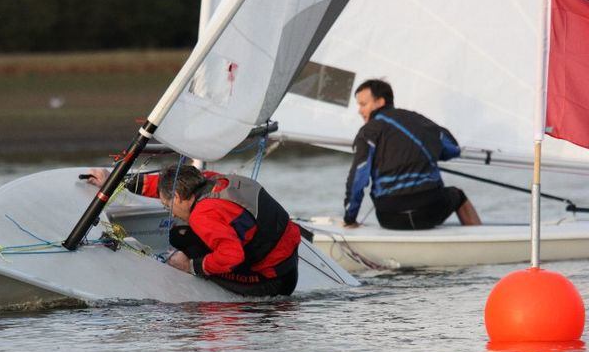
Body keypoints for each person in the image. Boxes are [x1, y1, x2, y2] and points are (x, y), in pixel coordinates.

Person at [86, 165, 300, 297]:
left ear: (177, 197)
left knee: (181, 237)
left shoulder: (204, 214)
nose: (169, 211)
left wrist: (191, 266)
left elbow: (232, 256)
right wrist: (113, 181)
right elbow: (162, 184)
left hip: (272, 282)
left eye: (166, 204)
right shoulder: (212, 180)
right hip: (287, 261)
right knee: (181, 233)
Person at [344, 79, 481, 230]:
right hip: (431, 211)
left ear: (380, 102)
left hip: (390, 217)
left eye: (363, 104)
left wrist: (350, 219)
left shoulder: (368, 131)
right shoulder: (420, 121)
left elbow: (358, 177)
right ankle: (480, 241)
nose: (359, 111)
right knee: (458, 195)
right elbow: (453, 149)